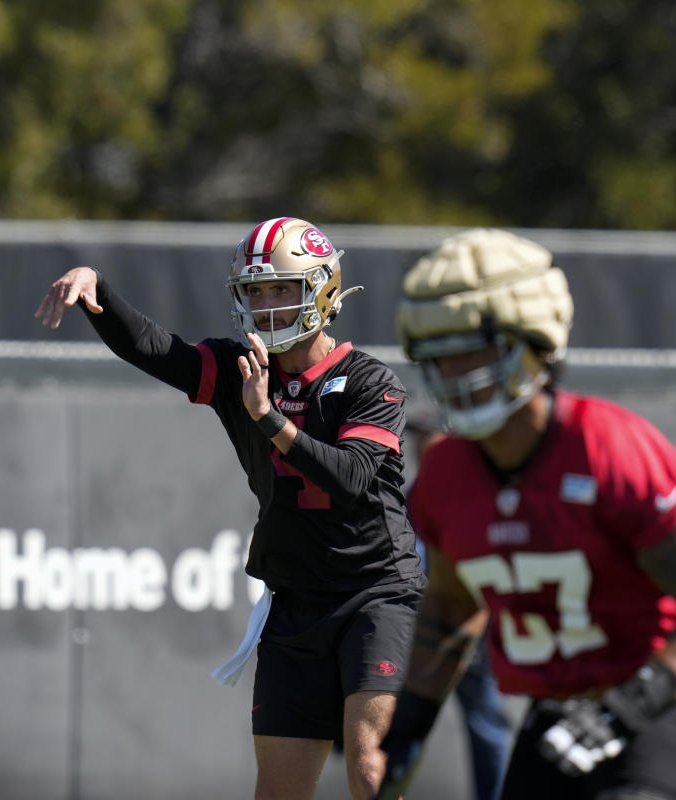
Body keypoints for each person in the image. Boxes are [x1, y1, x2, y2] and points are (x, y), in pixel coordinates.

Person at [36, 217, 426, 800]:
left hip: (376, 593)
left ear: (320, 290)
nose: (266, 306)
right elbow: (155, 349)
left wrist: (269, 418)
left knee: (370, 771)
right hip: (295, 601)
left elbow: (349, 478)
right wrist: (99, 293)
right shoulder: (241, 368)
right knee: (278, 790)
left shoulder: (369, 380)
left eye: (281, 290)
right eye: (255, 291)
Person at [377, 229, 676, 800]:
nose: (453, 373)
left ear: (532, 343)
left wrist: (634, 703)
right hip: (555, 718)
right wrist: (406, 725)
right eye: (439, 356)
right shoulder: (446, 476)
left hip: (662, 710)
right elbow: (450, 607)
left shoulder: (606, 450)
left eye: (472, 348)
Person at [407, 419, 512, 800]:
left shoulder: (474, 500)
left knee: (487, 725)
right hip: (414, 635)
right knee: (404, 728)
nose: (424, 448)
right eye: (418, 439)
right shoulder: (407, 501)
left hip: (469, 634)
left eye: (432, 438)